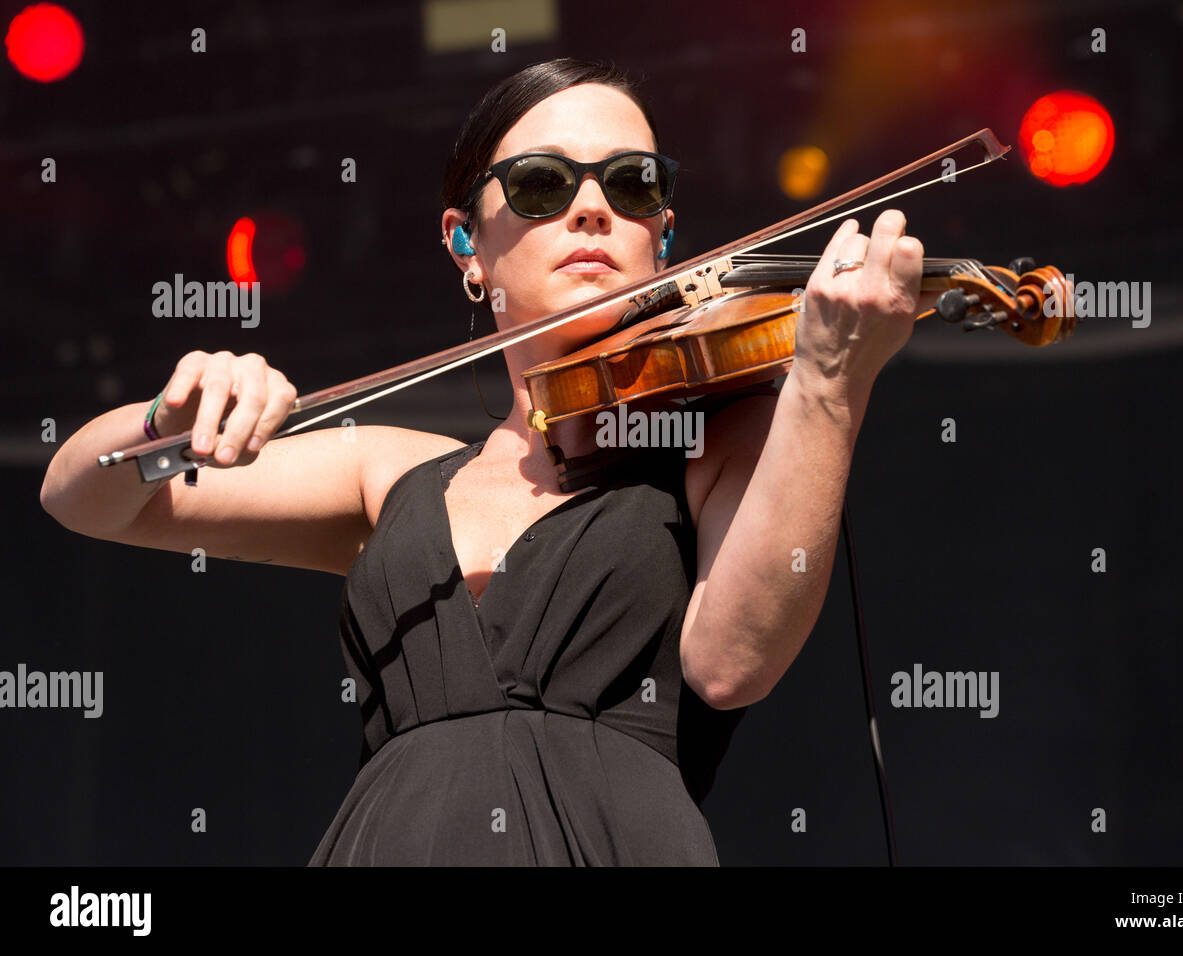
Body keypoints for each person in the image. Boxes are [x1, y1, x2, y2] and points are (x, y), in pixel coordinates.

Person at [39, 57, 935, 865]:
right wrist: (164, 415)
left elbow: (734, 661)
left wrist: (826, 385)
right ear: (467, 244)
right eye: (543, 184)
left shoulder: (717, 434)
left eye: (632, 186)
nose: (594, 208)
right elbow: (86, 500)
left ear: (661, 235)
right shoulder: (388, 472)